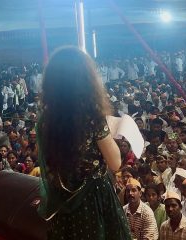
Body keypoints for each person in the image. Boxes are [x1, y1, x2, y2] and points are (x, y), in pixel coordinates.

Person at [36, 47, 131, 239]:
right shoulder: (91, 118)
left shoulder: (45, 120)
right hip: (92, 199)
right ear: (86, 80)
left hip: (62, 199)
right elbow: (115, 163)